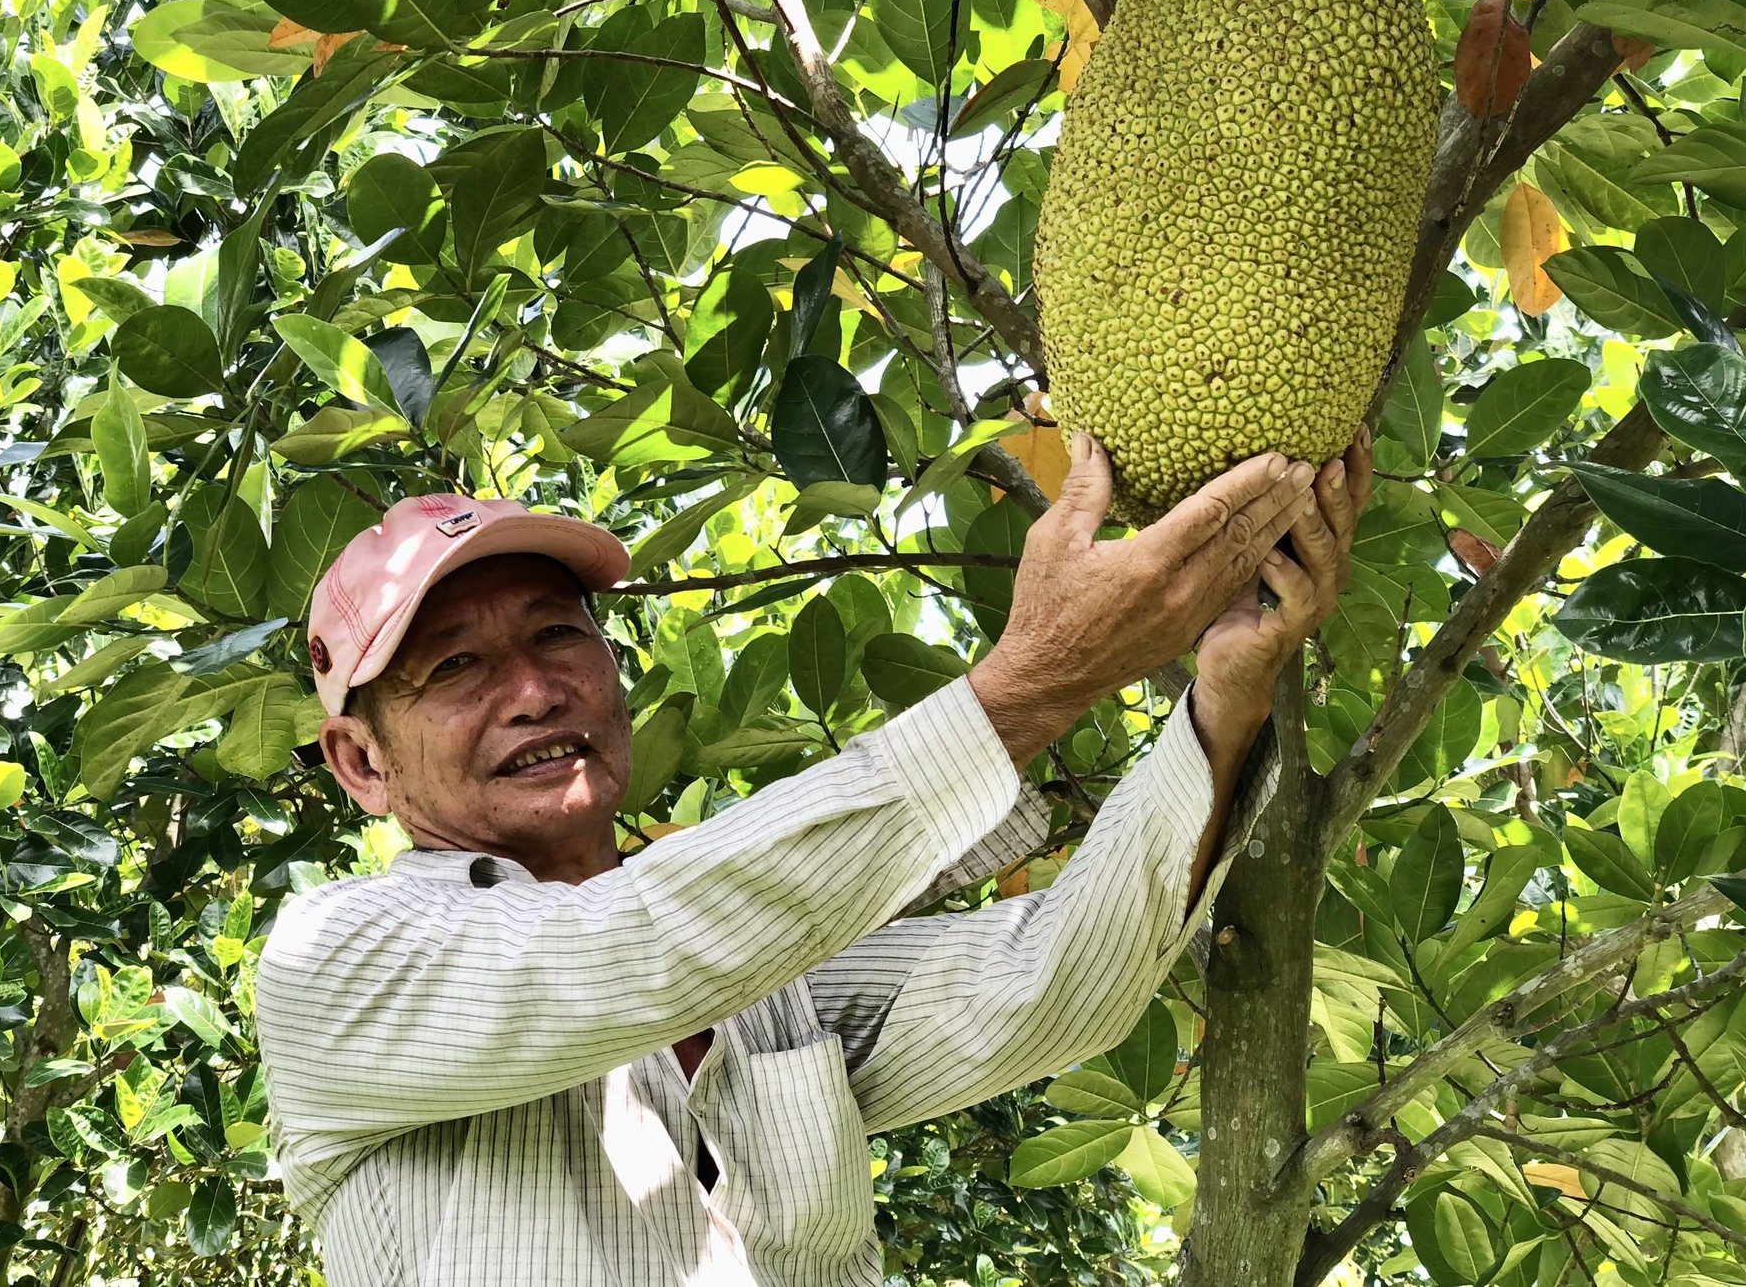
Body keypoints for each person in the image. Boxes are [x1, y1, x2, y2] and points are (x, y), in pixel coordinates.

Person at [256, 426, 1373, 1287]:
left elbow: (1050, 990)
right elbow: (631, 950)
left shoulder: (758, 983)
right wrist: (1039, 677)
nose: (535, 688)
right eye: (453, 669)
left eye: (558, 635)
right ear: (360, 762)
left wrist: (1226, 693)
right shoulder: (332, 964)